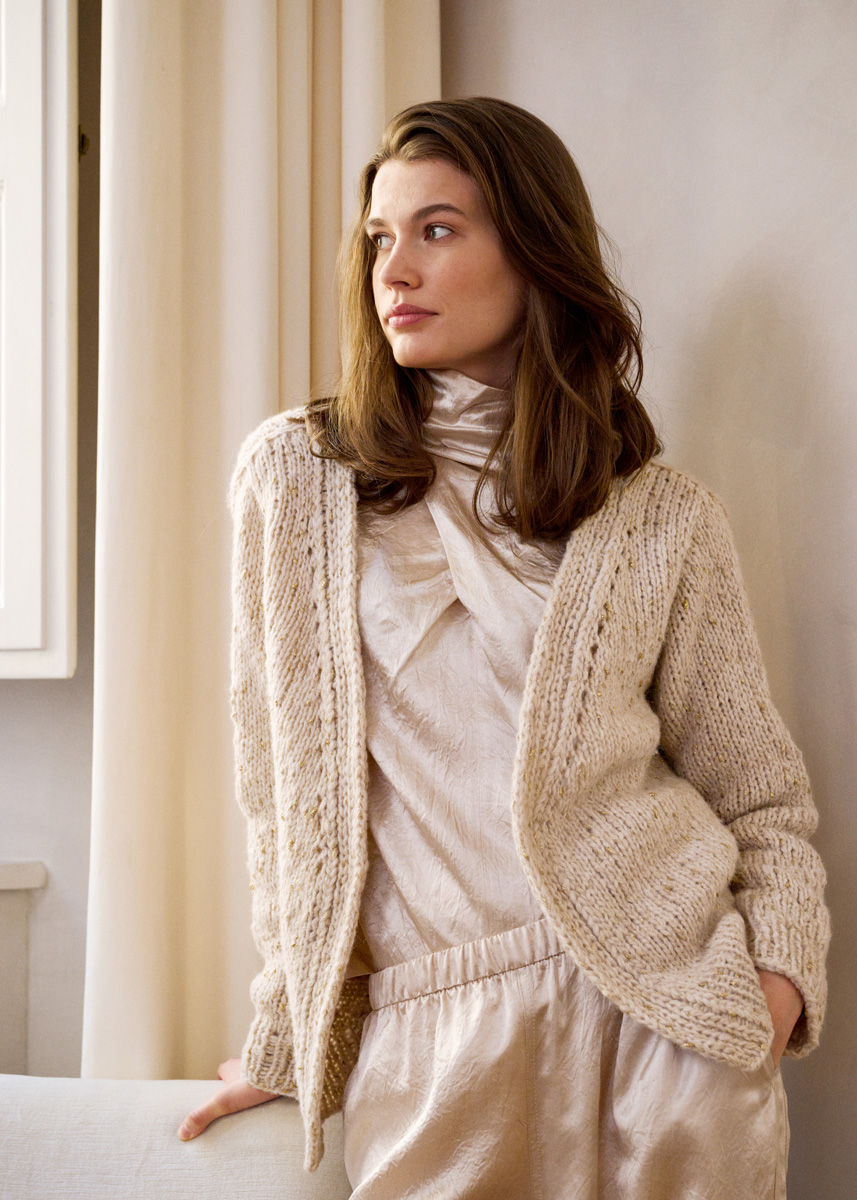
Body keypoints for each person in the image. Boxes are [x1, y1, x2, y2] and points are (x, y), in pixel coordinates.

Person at [177, 97, 829, 1198]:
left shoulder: (659, 514)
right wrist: (288, 1032)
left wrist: (773, 980)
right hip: (432, 1036)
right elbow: (279, 797)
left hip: (670, 1025)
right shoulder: (297, 478)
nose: (394, 270)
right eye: (379, 238)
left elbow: (757, 796)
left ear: (533, 253)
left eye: (437, 231)